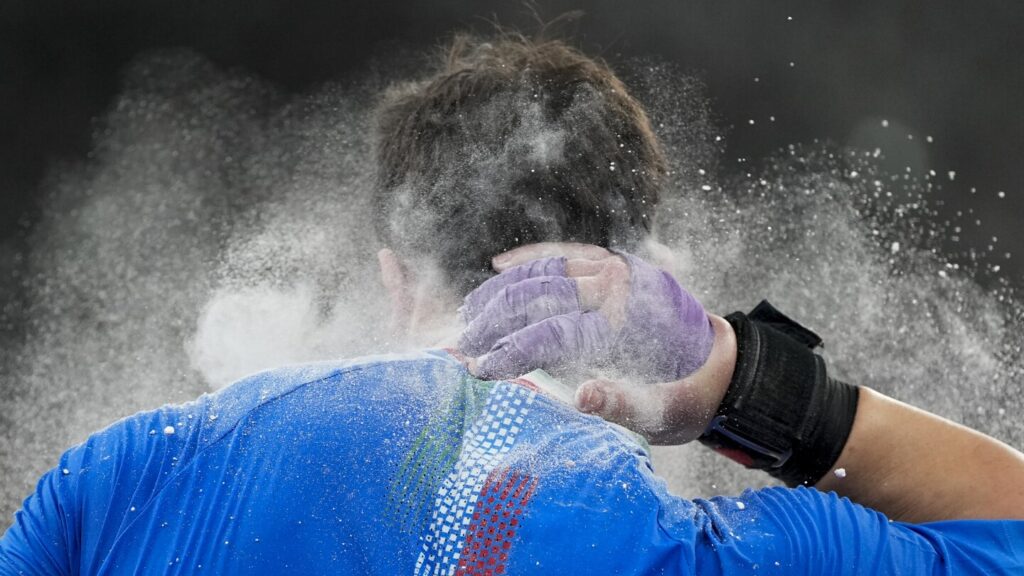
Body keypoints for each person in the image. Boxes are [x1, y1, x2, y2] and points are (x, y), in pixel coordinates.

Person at [2, 32, 1023, 575]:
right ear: (636, 279)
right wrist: (730, 378)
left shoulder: (118, 481)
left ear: (398, 274)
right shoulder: (675, 553)